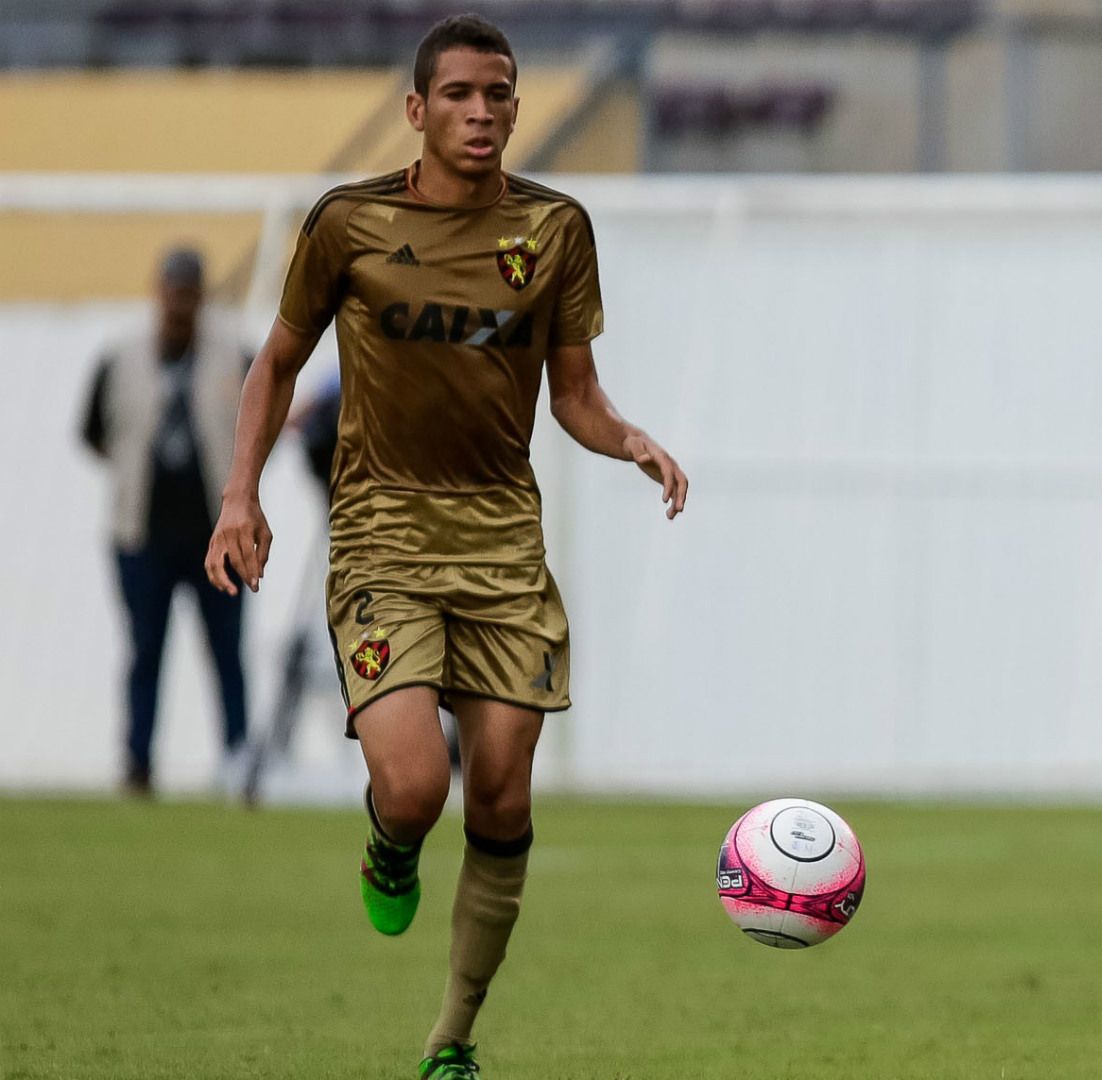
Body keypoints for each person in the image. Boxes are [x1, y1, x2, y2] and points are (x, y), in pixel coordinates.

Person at [203, 15, 689, 1079]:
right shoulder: (349, 224)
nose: (483, 113)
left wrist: (629, 439)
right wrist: (240, 496)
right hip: (381, 538)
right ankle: (390, 839)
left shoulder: (556, 228)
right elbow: (275, 364)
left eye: (500, 94)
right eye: (461, 95)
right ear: (417, 111)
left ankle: (452, 1041)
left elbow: (576, 395)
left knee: (505, 793)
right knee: (419, 787)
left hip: (504, 552)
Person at [83, 247, 253, 797]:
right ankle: (137, 763)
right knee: (145, 652)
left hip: (218, 534)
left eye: (189, 291)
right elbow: (93, 432)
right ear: (159, 292)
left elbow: (259, 426)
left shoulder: (234, 355)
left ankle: (237, 759)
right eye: (172, 290)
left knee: (226, 653)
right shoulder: (121, 358)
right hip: (142, 535)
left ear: (202, 295)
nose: (180, 303)